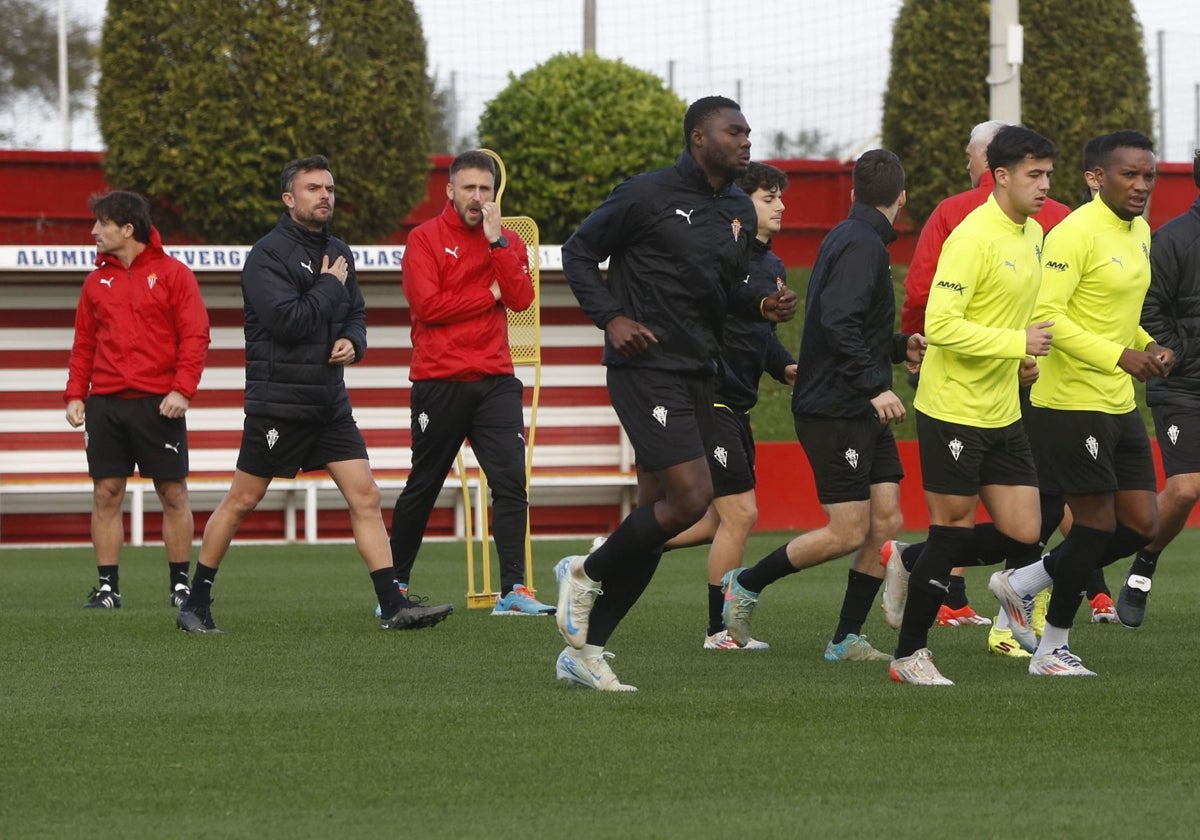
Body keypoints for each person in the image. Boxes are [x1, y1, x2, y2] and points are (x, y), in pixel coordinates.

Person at [556, 96, 797, 691]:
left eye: (748, 131)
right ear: (698, 138)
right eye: (733, 131)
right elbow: (578, 253)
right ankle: (585, 573)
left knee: (655, 521)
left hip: (698, 368)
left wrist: (760, 304)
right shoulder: (645, 194)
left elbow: (727, 288)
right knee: (693, 499)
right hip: (644, 367)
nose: (745, 141)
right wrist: (611, 317)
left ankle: (585, 652)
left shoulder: (738, 207)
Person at [176, 155, 453, 633]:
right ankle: (195, 604)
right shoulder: (266, 255)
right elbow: (289, 321)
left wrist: (354, 341)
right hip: (279, 405)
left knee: (365, 495)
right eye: (313, 188)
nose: (325, 195)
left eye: (328, 187)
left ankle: (393, 606)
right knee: (241, 501)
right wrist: (329, 283)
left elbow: (355, 312)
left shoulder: (340, 252)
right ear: (289, 199)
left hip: (329, 405)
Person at [719, 149, 925, 663]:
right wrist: (877, 384)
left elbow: (852, 324)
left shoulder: (854, 237)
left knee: (886, 521)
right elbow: (836, 322)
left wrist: (901, 348)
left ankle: (844, 640)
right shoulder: (861, 245)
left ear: (854, 193)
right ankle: (744, 583)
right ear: (902, 197)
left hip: (858, 404)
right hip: (837, 406)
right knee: (849, 529)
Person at [990, 130, 1172, 676]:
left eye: (1148, 176)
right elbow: (1049, 317)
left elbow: (1115, 313)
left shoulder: (1139, 229)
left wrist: (1146, 345)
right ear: (1096, 178)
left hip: (1117, 402)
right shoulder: (1071, 234)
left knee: (1141, 525)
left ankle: (1024, 582)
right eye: (1129, 175)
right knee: (1092, 528)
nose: (1142, 186)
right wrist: (1119, 355)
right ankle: (1051, 651)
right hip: (1068, 401)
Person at [889, 125, 1058, 686]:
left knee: (1025, 531)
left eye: (1048, 175)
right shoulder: (971, 237)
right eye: (1034, 175)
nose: (1043, 186)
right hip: (953, 407)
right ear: (1001, 176)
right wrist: (1016, 345)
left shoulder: (1033, 234)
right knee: (954, 531)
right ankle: (909, 655)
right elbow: (939, 325)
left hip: (1002, 404)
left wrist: (1018, 361)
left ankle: (910, 561)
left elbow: (1005, 316)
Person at [388, 150, 552, 616]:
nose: (478, 198)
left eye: (485, 189)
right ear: (451, 190)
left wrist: (499, 245)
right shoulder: (424, 239)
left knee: (510, 482)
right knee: (424, 483)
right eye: (469, 188)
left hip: (497, 377)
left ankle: (514, 591)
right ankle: (394, 588)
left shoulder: (507, 240)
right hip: (439, 380)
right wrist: (488, 293)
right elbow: (429, 308)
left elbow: (520, 299)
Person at [663, 161, 797, 650]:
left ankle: (623, 549)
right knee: (741, 515)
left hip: (738, 407)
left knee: (715, 521)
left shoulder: (774, 268)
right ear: (742, 206)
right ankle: (718, 630)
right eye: (769, 198)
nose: (781, 206)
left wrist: (785, 367)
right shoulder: (722, 257)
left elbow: (763, 340)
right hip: (710, 399)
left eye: (781, 197)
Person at [65, 190, 210, 610]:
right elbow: (84, 344)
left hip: (158, 403)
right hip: (106, 404)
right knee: (106, 494)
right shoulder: (95, 282)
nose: (93, 231)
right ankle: (108, 588)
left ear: (127, 229)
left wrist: (183, 389)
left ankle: (181, 585)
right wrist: (76, 395)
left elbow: (195, 335)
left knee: (173, 493)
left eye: (101, 223)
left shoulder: (174, 275)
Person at [1113, 149, 1200, 627]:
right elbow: (1145, 315)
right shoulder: (1168, 241)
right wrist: (1175, 354)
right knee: (1186, 489)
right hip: (1183, 386)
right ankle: (1143, 565)